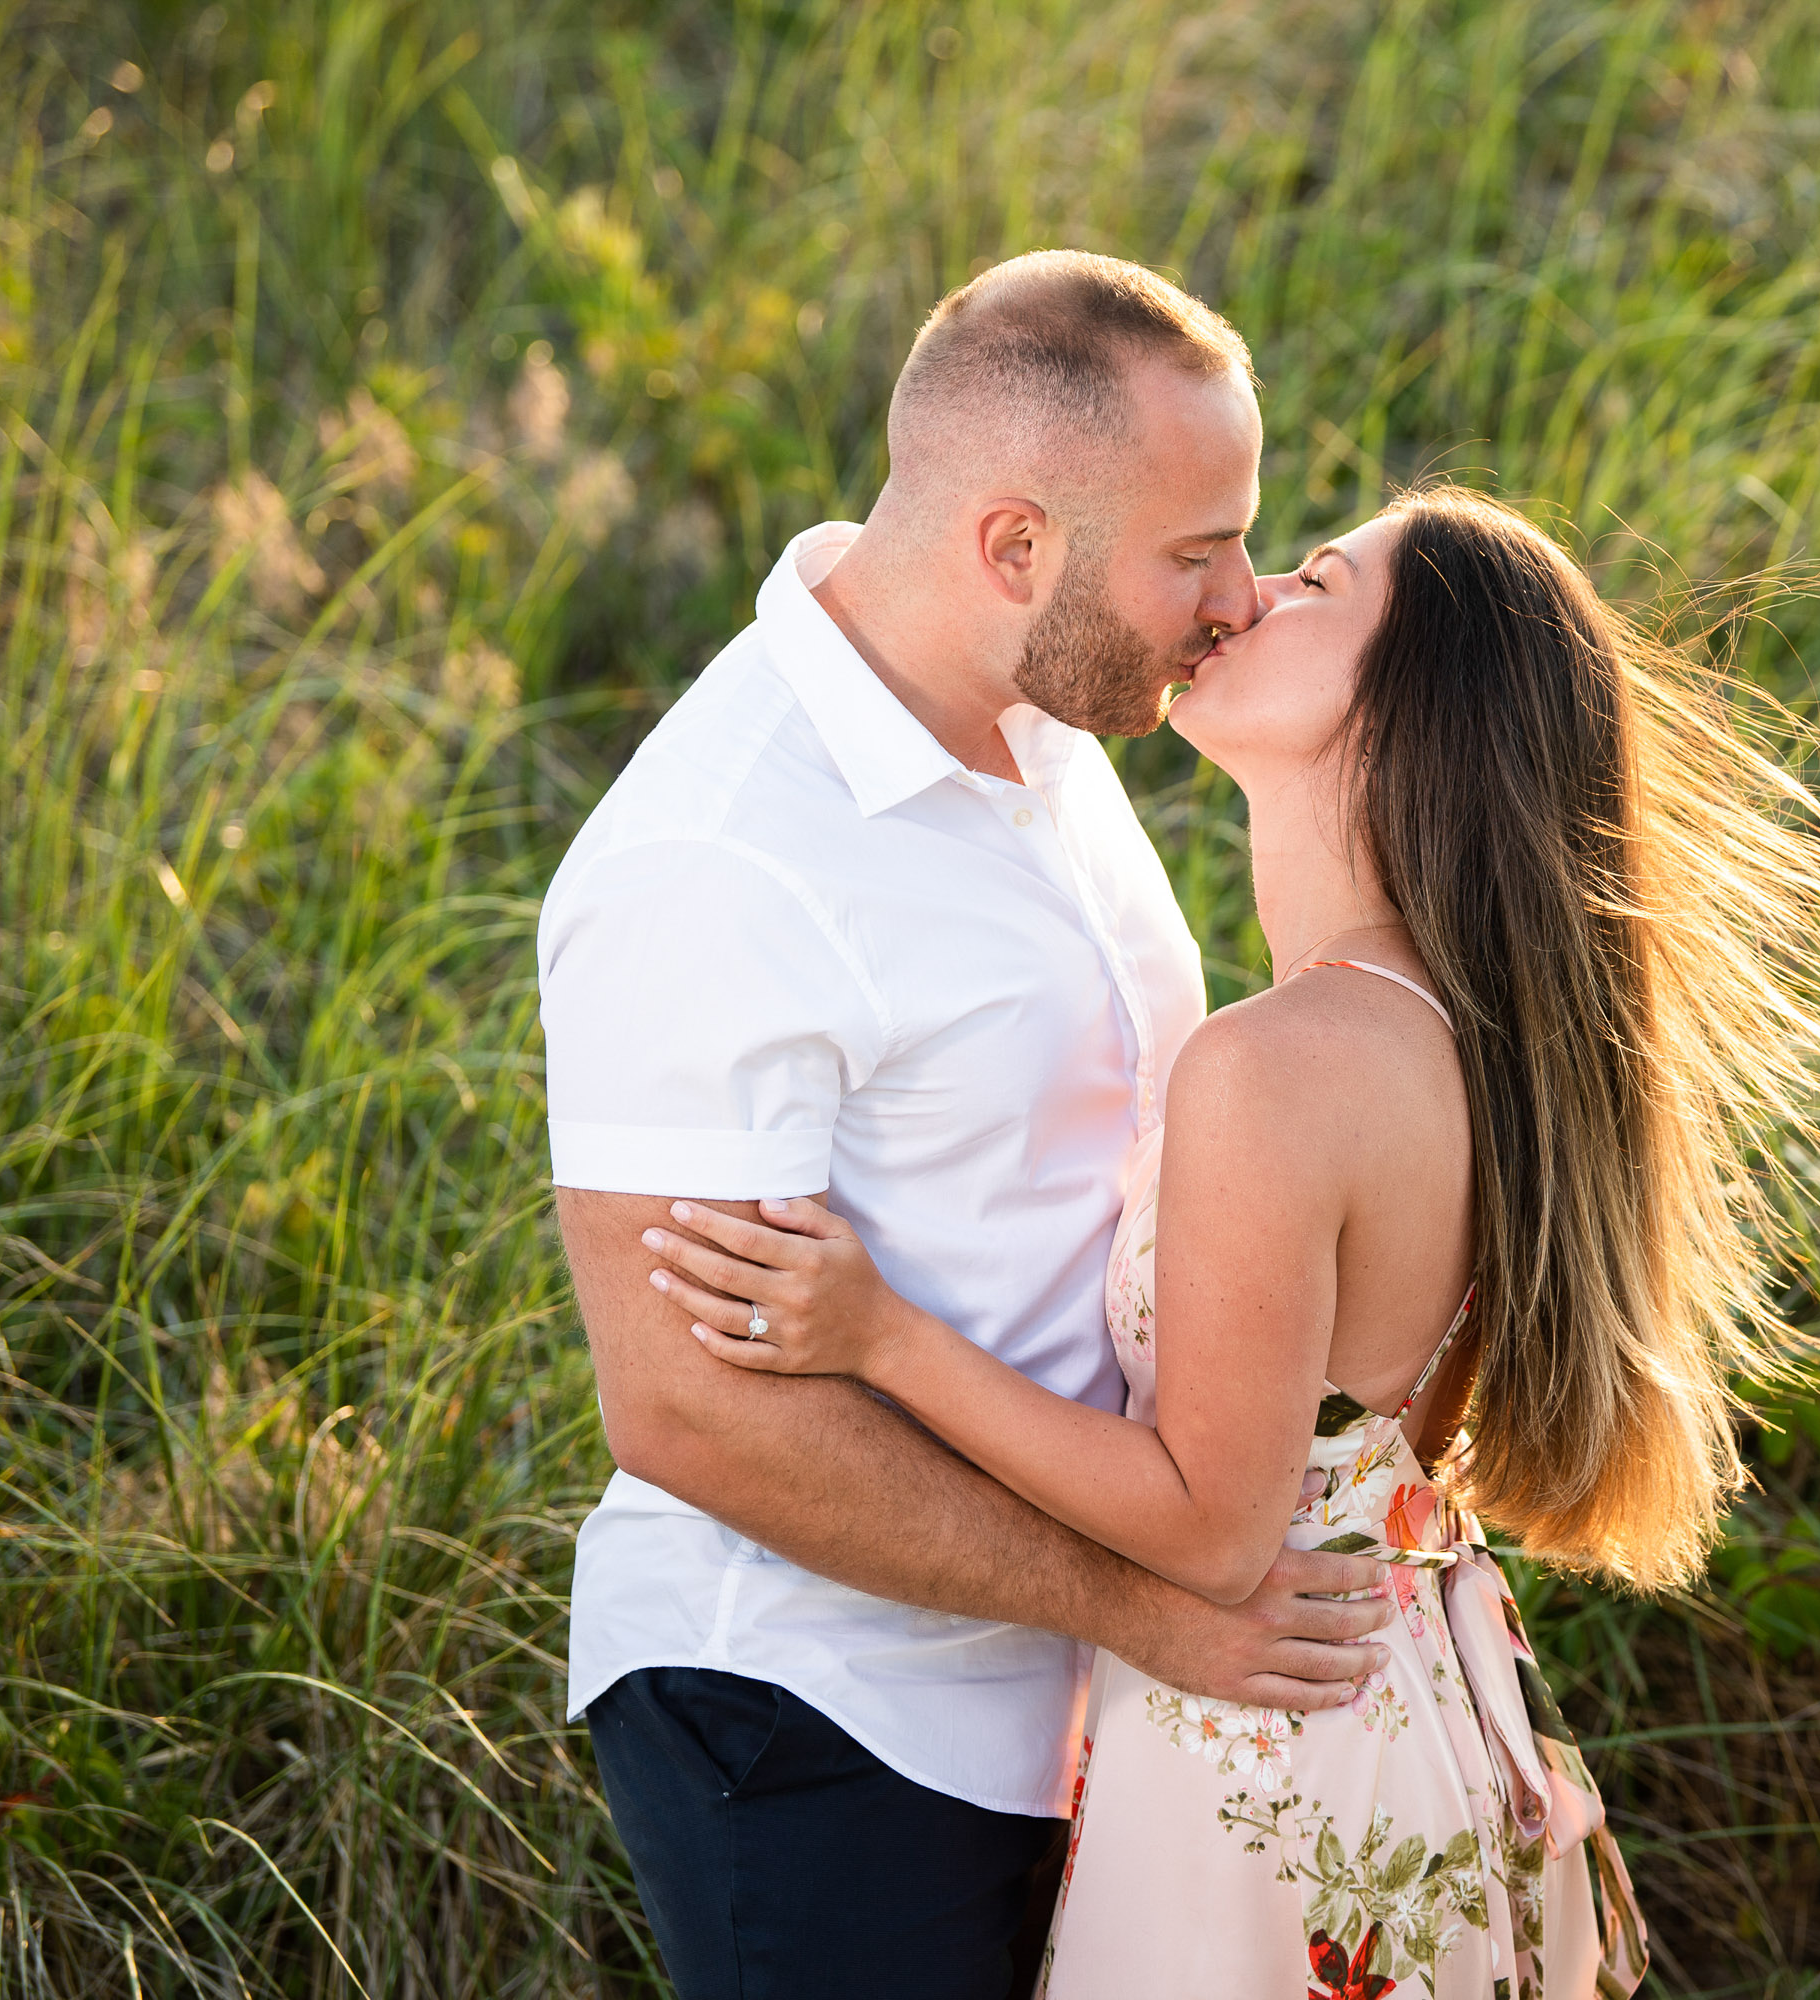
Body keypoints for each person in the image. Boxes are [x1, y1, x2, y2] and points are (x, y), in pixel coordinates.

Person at [640, 485, 1820, 1995]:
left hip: (1281, 1763)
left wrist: (881, 1336)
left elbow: (1212, 1528)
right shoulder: (1453, 1039)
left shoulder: (1277, 1066)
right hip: (1411, 1715)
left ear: (1409, 703)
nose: (1245, 597)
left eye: (1317, 583)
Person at [536, 251, 1406, 2000]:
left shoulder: (1045, 718)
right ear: (1014, 547)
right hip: (824, 1721)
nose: (1238, 599)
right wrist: (1146, 1609)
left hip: (1087, 1698)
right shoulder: (716, 858)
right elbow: (689, 1409)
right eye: (1196, 553)